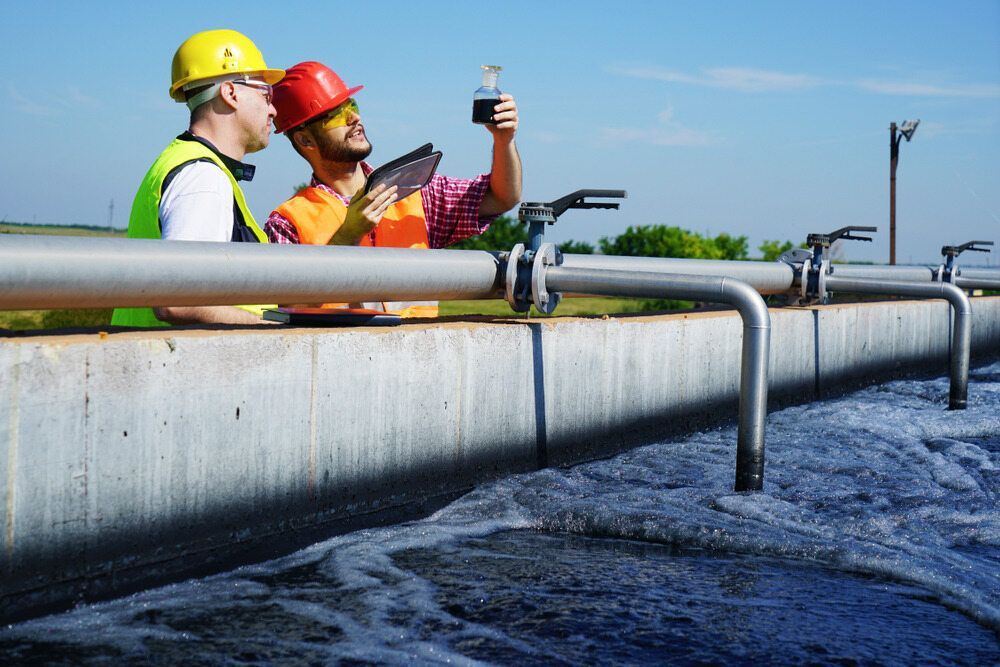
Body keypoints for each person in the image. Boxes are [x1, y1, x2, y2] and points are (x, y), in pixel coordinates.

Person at [265, 61, 522, 317]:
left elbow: (501, 197)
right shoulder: (287, 222)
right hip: (343, 356)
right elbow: (290, 309)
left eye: (351, 105)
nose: (354, 118)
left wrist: (504, 140)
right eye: (336, 114)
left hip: (419, 353)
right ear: (305, 139)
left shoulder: (415, 190)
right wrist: (347, 236)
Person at [111, 29, 284, 327]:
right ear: (230, 93)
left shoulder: (184, 163)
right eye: (265, 94)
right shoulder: (203, 178)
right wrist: (270, 331)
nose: (273, 109)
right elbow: (177, 300)